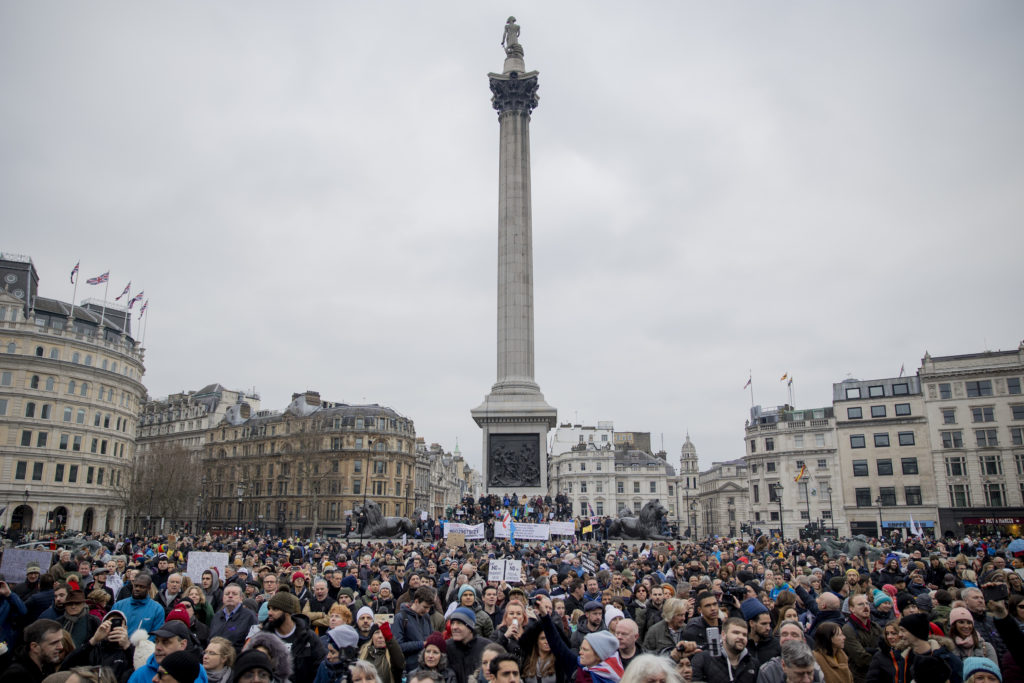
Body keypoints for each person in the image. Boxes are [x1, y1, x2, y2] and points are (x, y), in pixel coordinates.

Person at [261, 590, 326, 682]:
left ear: (287, 612)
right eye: (269, 609)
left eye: (275, 609)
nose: (269, 613)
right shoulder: (264, 637)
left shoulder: (308, 637)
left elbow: (320, 668)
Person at [61, 609, 136, 682]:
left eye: (118, 624)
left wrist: (127, 646)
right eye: (110, 624)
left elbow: (139, 669)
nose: (113, 628)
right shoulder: (94, 649)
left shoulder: (131, 650)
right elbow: (67, 665)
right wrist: (94, 640)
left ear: (125, 628)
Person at [126, 620, 198, 683]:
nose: (158, 647)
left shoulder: (198, 671)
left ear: (182, 644)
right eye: (156, 641)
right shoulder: (140, 675)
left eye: (165, 642)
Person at [690, 617, 759, 683]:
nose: (741, 637)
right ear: (723, 635)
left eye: (744, 635)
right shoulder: (704, 659)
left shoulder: (753, 664)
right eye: (736, 633)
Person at [0, 618, 63, 683]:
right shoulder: (16, 676)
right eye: (54, 643)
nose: (61, 647)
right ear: (34, 647)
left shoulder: (47, 665)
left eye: (60, 641)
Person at [395, 586, 438, 673]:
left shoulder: (426, 617)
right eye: (425, 607)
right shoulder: (400, 618)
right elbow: (397, 647)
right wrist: (421, 644)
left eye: (429, 608)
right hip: (408, 669)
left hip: (426, 669)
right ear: (416, 601)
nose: (427, 610)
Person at [447, 606, 494, 683]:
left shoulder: (486, 647)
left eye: (459, 623)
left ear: (470, 627)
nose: (454, 627)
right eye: (452, 623)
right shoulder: (447, 647)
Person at [842, 594, 881, 683]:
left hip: (878, 674)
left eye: (867, 603)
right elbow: (861, 658)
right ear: (852, 609)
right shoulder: (847, 629)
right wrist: (880, 656)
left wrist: (872, 651)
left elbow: (886, 648)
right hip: (860, 677)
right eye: (860, 604)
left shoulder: (875, 626)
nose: (865, 606)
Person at [209, 583, 258, 653]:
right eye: (227, 594)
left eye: (234, 594)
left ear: (241, 598)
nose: (230, 596)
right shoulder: (217, 616)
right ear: (223, 598)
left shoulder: (249, 616)